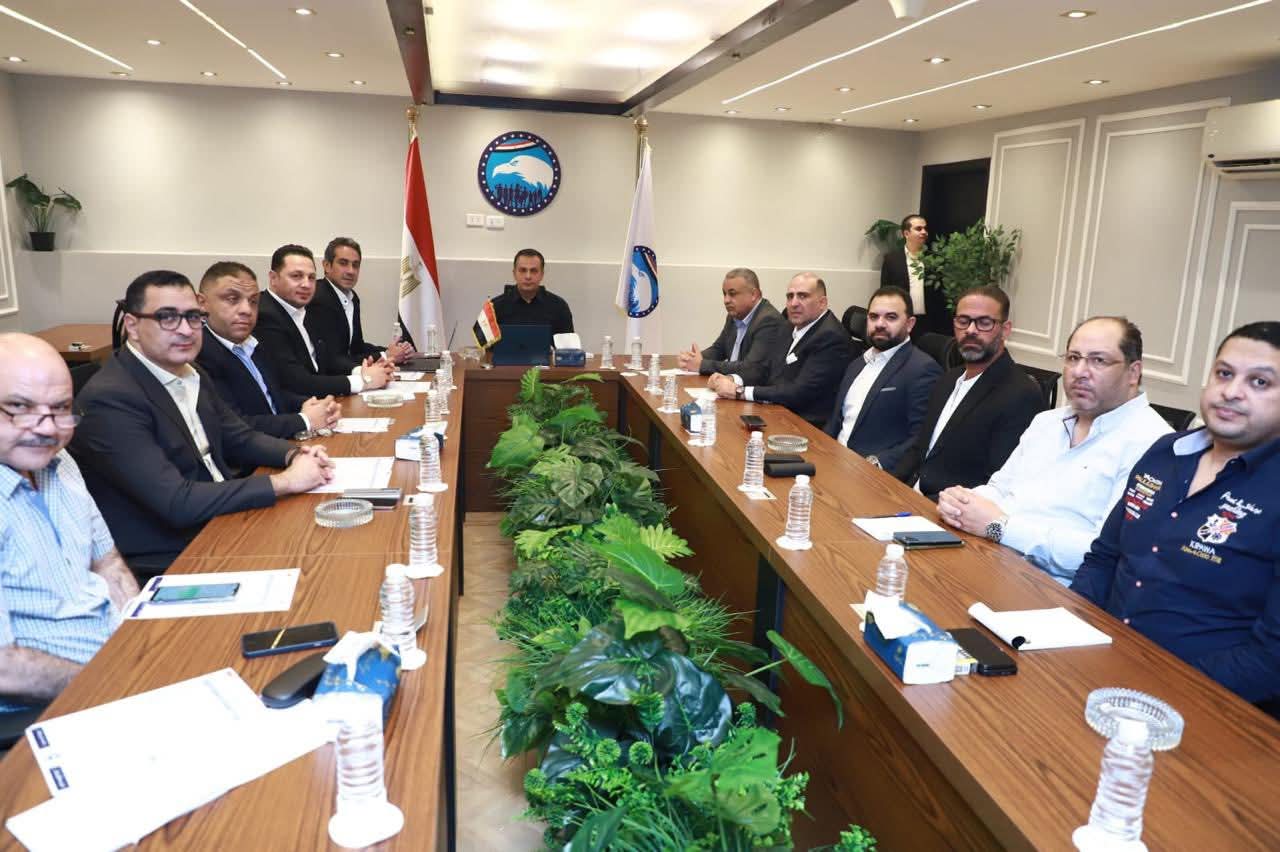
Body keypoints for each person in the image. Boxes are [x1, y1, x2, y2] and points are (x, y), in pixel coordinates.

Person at [71, 270, 335, 580]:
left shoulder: (189, 371)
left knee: (330, 546)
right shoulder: (111, 399)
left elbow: (239, 437)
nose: (186, 330)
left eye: (193, 317)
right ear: (132, 325)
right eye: (168, 318)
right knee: (317, 573)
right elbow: (176, 502)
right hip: (174, 554)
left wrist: (295, 455)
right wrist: (285, 482)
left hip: (222, 520)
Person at [1072, 322, 1280, 710]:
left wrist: (1161, 688)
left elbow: (1271, 659)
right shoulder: (1164, 453)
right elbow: (1103, 559)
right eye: (1224, 374)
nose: (1232, 391)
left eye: (1260, 382)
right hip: (1098, 668)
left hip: (1205, 705)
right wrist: (1065, 632)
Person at [937, 317, 1171, 585]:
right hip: (989, 558)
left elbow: (1104, 554)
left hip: (1058, 590)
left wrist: (1000, 527)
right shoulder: (1047, 422)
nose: (1079, 371)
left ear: (1133, 372)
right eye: (1073, 358)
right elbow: (1001, 488)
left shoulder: (1153, 445)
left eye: (1098, 360)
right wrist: (962, 503)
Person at [0, 334, 138, 713]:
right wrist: (111, 682)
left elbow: (107, 562)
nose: (47, 429)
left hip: (123, 660)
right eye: (20, 407)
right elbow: (4, 669)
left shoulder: (59, 462)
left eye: (60, 408)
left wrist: (140, 637)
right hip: (56, 703)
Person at [892, 285, 1044, 499]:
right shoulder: (947, 379)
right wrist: (887, 486)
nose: (971, 330)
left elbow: (996, 484)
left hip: (950, 509)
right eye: (963, 321)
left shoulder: (1021, 394)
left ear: (1005, 329)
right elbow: (919, 449)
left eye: (984, 323)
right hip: (908, 496)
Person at [196, 261, 340, 440]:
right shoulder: (199, 355)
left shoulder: (253, 344)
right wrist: (305, 420)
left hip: (281, 443)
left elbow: (275, 396)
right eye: (232, 299)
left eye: (253, 301)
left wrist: (315, 406)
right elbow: (235, 426)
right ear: (202, 303)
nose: (247, 310)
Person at [707, 273, 852, 426]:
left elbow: (798, 392)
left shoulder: (830, 337)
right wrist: (732, 379)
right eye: (790, 296)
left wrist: (739, 391)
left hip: (805, 425)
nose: (794, 303)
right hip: (777, 412)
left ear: (822, 303)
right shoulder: (790, 326)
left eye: (803, 296)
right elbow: (765, 368)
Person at [823, 286, 942, 472]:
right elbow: (836, 420)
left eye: (891, 317)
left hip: (871, 473)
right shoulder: (857, 363)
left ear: (910, 324)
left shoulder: (922, 369)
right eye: (873, 317)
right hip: (832, 460)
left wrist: (877, 463)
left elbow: (921, 437)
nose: (880, 324)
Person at [254, 244, 394, 398]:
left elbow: (327, 359)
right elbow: (298, 382)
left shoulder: (301, 309)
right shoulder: (265, 316)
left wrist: (363, 371)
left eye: (311, 277)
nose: (306, 284)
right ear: (273, 278)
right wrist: (364, 381)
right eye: (296, 276)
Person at [308, 236, 415, 371]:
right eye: (343, 263)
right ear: (327, 266)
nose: (351, 271)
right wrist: (386, 355)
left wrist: (396, 351)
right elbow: (332, 360)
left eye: (355, 265)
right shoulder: (319, 298)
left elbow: (356, 347)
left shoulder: (352, 298)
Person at [676, 268, 785, 376]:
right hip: (731, 383)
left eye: (732, 294)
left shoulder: (768, 320)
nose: (726, 300)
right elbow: (719, 349)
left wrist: (702, 365)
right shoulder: (735, 316)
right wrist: (692, 359)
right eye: (725, 294)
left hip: (754, 385)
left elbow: (751, 368)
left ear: (754, 295)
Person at [487, 249, 574, 335]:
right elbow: (484, 343)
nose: (528, 276)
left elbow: (568, 344)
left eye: (533, 271)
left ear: (542, 274)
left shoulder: (559, 307)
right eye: (523, 270)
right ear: (514, 273)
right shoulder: (494, 308)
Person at [879, 214, 929, 332]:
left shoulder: (933, 259)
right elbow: (885, 291)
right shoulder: (891, 259)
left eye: (925, 228)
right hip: (900, 319)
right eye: (919, 229)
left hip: (928, 321)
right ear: (906, 233)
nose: (924, 232)